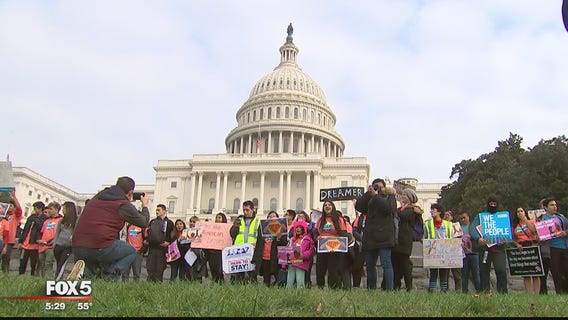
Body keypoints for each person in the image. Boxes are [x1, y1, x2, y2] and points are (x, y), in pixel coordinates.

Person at [72, 176, 150, 281]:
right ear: (130, 192)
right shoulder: (122, 203)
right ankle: (110, 276)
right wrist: (145, 205)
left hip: (77, 246)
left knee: (92, 270)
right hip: (99, 246)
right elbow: (143, 222)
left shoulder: (97, 197)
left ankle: (84, 275)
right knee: (130, 251)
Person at [354, 178, 396, 291]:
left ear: (385, 187)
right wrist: (368, 193)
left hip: (384, 236)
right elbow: (358, 206)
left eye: (380, 186)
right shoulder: (370, 198)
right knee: (370, 265)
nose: (378, 188)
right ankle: (371, 289)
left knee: (386, 264)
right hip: (371, 236)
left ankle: (389, 290)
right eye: (376, 186)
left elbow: (389, 209)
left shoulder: (390, 197)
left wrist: (376, 196)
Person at [470, 195, 509, 293]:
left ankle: (503, 292)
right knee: (484, 270)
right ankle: (485, 291)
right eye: (491, 204)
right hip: (485, 250)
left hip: (499, 249)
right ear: (487, 204)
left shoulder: (502, 216)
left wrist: (506, 238)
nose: (493, 206)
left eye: (495, 204)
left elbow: (507, 230)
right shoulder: (480, 216)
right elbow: (473, 228)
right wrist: (478, 238)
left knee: (501, 270)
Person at [313, 200, 349, 289]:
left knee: (334, 271)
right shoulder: (320, 220)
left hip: (335, 249)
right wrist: (317, 237)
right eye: (325, 205)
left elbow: (344, 233)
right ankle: (320, 287)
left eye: (329, 205)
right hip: (322, 248)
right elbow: (315, 232)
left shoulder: (339, 219)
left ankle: (334, 289)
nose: (327, 206)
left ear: (332, 207)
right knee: (320, 269)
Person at [392, 188, 421, 291]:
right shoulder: (400, 209)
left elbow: (402, 216)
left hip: (405, 241)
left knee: (405, 265)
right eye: (402, 194)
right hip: (396, 241)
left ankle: (409, 287)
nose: (402, 196)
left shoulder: (412, 210)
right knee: (396, 265)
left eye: (405, 195)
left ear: (410, 198)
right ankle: (396, 287)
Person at [539, 198, 568, 294]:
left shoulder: (561, 217)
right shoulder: (542, 219)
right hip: (551, 248)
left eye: (555, 205)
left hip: (564, 247)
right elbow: (538, 235)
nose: (554, 207)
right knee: (556, 272)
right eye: (551, 205)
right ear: (545, 207)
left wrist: (565, 233)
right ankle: (560, 292)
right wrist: (542, 236)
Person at [424, 203, 454, 292]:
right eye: (431, 210)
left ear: (439, 212)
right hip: (433, 251)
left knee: (443, 273)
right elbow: (425, 237)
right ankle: (431, 290)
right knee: (433, 272)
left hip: (445, 251)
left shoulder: (448, 225)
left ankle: (443, 290)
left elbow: (451, 237)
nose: (431, 211)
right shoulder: (428, 224)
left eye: (434, 210)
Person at [253, 211, 287, 286]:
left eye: (274, 216)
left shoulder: (281, 228)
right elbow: (259, 242)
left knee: (275, 276)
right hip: (264, 257)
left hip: (275, 257)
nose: (272, 218)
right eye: (270, 216)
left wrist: (279, 238)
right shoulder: (263, 227)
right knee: (266, 277)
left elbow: (284, 243)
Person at [510, 206, 540, 294]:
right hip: (521, 248)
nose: (520, 213)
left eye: (521, 211)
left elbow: (533, 230)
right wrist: (517, 245)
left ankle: (537, 294)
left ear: (525, 212)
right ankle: (529, 293)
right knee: (526, 272)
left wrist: (525, 220)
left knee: (536, 272)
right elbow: (511, 238)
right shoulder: (515, 225)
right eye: (518, 211)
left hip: (532, 245)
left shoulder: (531, 221)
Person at [230, 200, 260, 284]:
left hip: (251, 252)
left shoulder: (257, 221)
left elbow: (260, 238)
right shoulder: (239, 220)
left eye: (247, 210)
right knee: (237, 275)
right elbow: (232, 234)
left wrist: (256, 245)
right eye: (244, 210)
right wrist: (235, 226)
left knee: (252, 275)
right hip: (239, 251)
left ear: (252, 210)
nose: (245, 212)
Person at [146, 204, 174, 282]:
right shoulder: (152, 221)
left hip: (162, 250)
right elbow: (148, 233)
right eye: (156, 210)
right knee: (150, 268)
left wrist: (168, 242)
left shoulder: (169, 223)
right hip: (152, 248)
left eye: (159, 210)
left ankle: (158, 284)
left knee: (160, 269)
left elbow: (172, 236)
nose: (157, 212)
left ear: (164, 211)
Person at [18, 201, 46, 276]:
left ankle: (33, 276)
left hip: (34, 244)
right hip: (25, 243)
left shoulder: (44, 218)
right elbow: (25, 229)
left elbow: (40, 226)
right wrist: (21, 241)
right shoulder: (31, 218)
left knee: (33, 263)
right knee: (22, 261)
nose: (34, 210)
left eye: (36, 208)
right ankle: (21, 274)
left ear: (40, 209)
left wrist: (35, 217)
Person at [36, 202, 62, 278]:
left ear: (57, 210)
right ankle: (43, 280)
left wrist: (48, 242)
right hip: (42, 246)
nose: (49, 211)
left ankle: (48, 281)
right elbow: (41, 232)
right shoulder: (46, 221)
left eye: (51, 209)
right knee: (42, 265)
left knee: (48, 264)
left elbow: (59, 234)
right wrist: (39, 240)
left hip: (51, 246)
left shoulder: (61, 220)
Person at [286, 220, 315, 289]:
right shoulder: (291, 240)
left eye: (300, 227)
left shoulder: (308, 239)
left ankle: (300, 294)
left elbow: (311, 251)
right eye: (296, 227)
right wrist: (284, 261)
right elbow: (286, 250)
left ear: (304, 229)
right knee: (289, 281)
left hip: (301, 263)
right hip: (291, 263)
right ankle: (287, 294)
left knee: (300, 280)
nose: (298, 229)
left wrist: (303, 255)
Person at [53, 202, 78, 279]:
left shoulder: (76, 220)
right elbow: (57, 232)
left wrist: (73, 237)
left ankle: (56, 279)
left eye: (64, 208)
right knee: (58, 264)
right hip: (58, 245)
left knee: (62, 264)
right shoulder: (61, 220)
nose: (63, 210)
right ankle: (60, 278)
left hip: (68, 246)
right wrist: (55, 243)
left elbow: (76, 231)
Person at [1, 191, 22, 273]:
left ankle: (5, 274)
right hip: (1, 238)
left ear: (14, 208)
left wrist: (14, 197)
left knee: (6, 258)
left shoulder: (15, 216)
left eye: (11, 206)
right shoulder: (3, 215)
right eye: (8, 206)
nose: (9, 207)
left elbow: (19, 209)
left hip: (9, 240)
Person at [459, 211, 480, 293]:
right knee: (464, 274)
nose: (463, 219)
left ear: (468, 217)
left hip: (474, 252)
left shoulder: (473, 227)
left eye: (464, 217)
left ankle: (479, 290)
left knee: (476, 273)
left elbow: (479, 237)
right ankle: (464, 291)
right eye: (461, 218)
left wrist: (471, 236)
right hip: (463, 254)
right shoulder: (459, 228)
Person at [205, 212, 227, 283]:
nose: (217, 219)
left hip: (220, 254)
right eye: (216, 217)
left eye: (219, 217)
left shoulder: (226, 229)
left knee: (219, 272)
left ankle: (221, 285)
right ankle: (214, 284)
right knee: (213, 270)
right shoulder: (212, 228)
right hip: (211, 253)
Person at [443, 210, 462, 292]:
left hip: (455, 252)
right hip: (444, 252)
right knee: (445, 274)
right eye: (445, 215)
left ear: (452, 217)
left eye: (448, 215)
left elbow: (460, 238)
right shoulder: (441, 226)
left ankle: (458, 290)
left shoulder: (456, 226)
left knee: (457, 274)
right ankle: (444, 290)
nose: (447, 216)